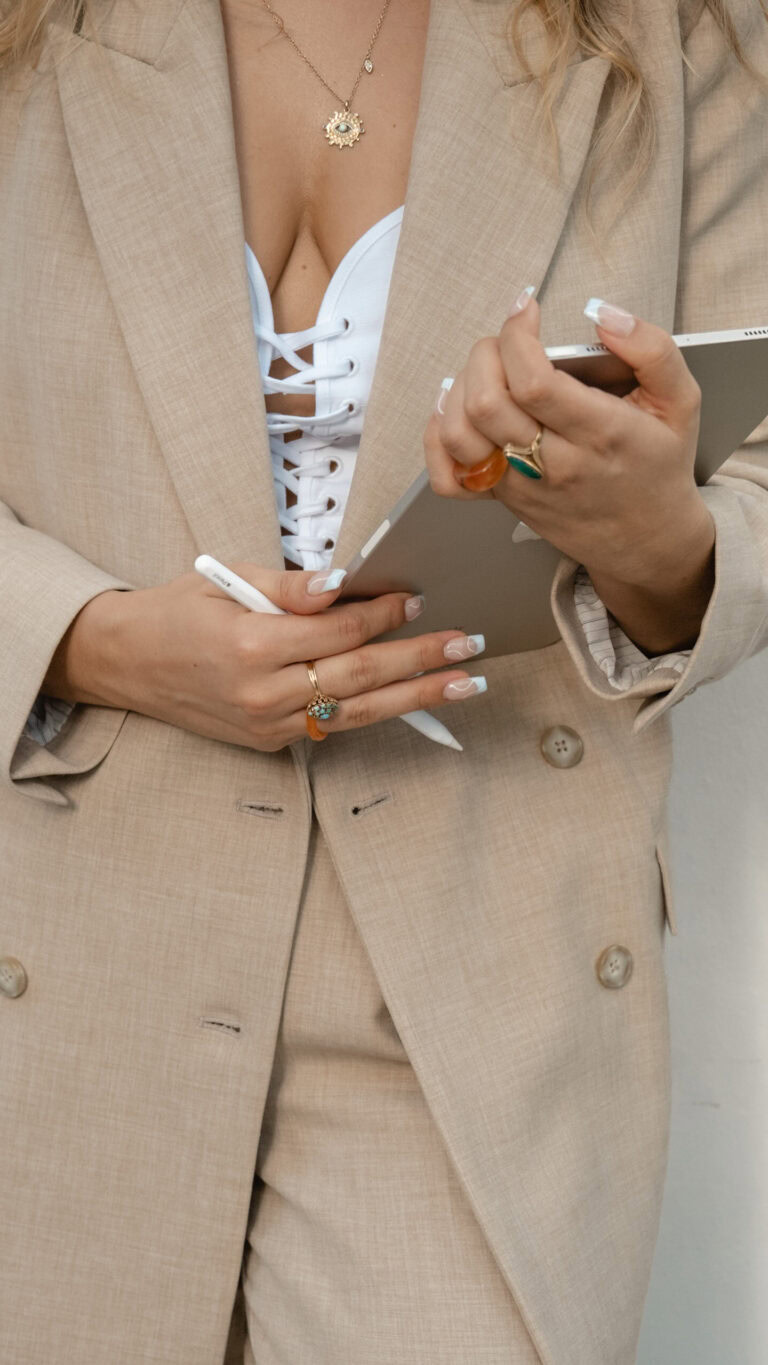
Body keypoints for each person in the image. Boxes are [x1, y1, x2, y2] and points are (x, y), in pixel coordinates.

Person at [1, 0, 766, 1360]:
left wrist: (659, 542)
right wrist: (94, 639)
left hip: (483, 963)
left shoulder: (683, 36)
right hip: (67, 944)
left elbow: (752, 472)